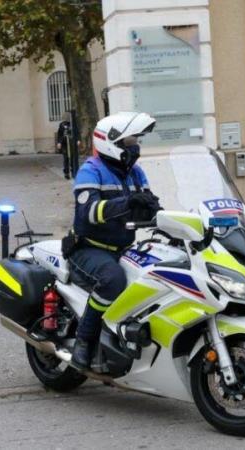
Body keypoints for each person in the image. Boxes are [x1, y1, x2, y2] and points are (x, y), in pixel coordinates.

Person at [67, 111, 161, 370]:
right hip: (89, 249)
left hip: (123, 248)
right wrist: (127, 202)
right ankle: (84, 342)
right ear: (111, 143)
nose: (135, 147)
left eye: (136, 141)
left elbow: (150, 207)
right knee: (113, 280)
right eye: (129, 142)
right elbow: (89, 213)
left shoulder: (136, 173)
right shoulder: (90, 171)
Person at [56, 112, 72, 179]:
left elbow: (76, 133)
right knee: (66, 158)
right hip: (64, 144)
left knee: (72, 158)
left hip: (71, 144)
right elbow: (59, 134)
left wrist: (78, 140)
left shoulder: (72, 124)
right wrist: (59, 142)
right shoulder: (62, 125)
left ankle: (73, 171)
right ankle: (66, 173)